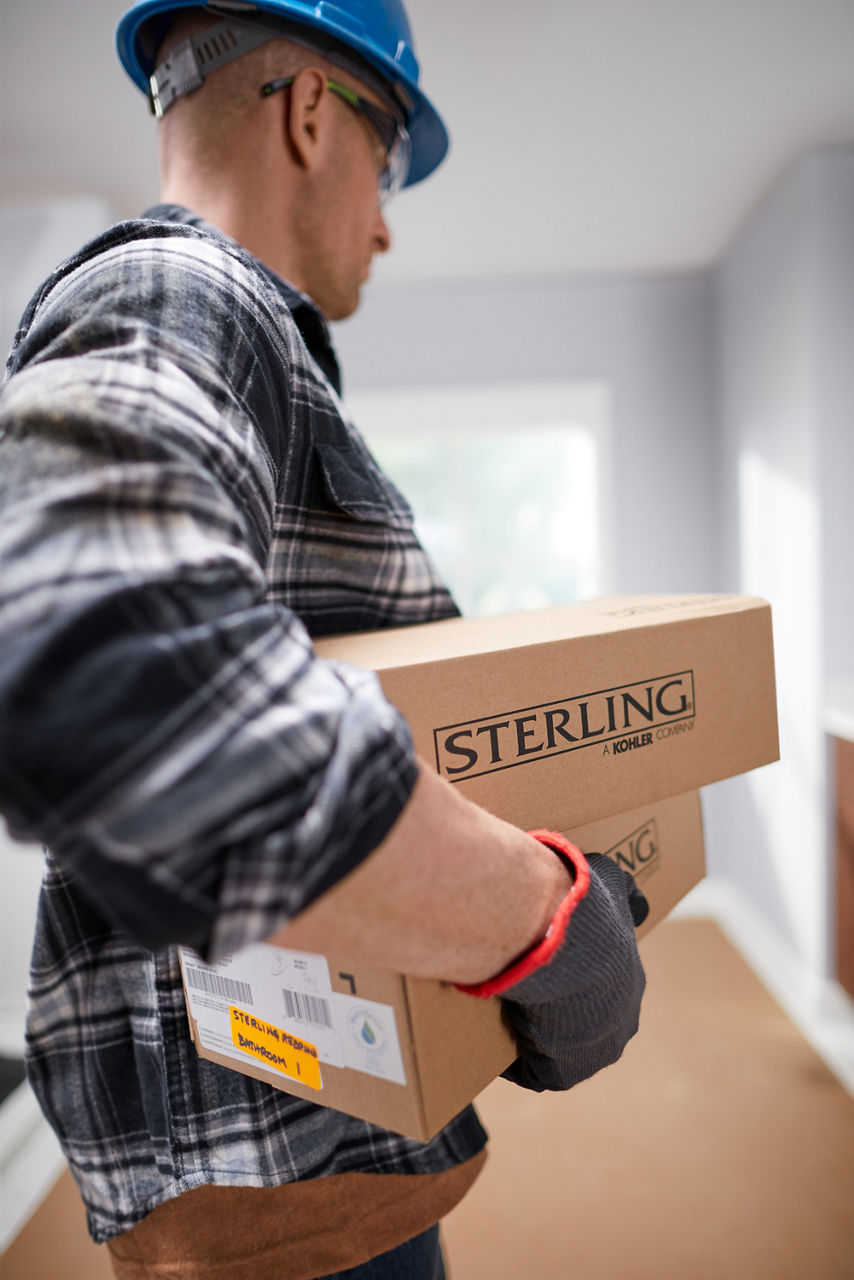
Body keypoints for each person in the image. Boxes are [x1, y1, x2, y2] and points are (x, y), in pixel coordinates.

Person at [0, 3, 647, 1276]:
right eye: (392, 156)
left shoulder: (228, 340)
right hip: (266, 1185)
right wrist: (538, 920)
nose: (388, 217)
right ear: (310, 113)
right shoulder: (177, 289)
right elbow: (87, 656)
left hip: (313, 1144)